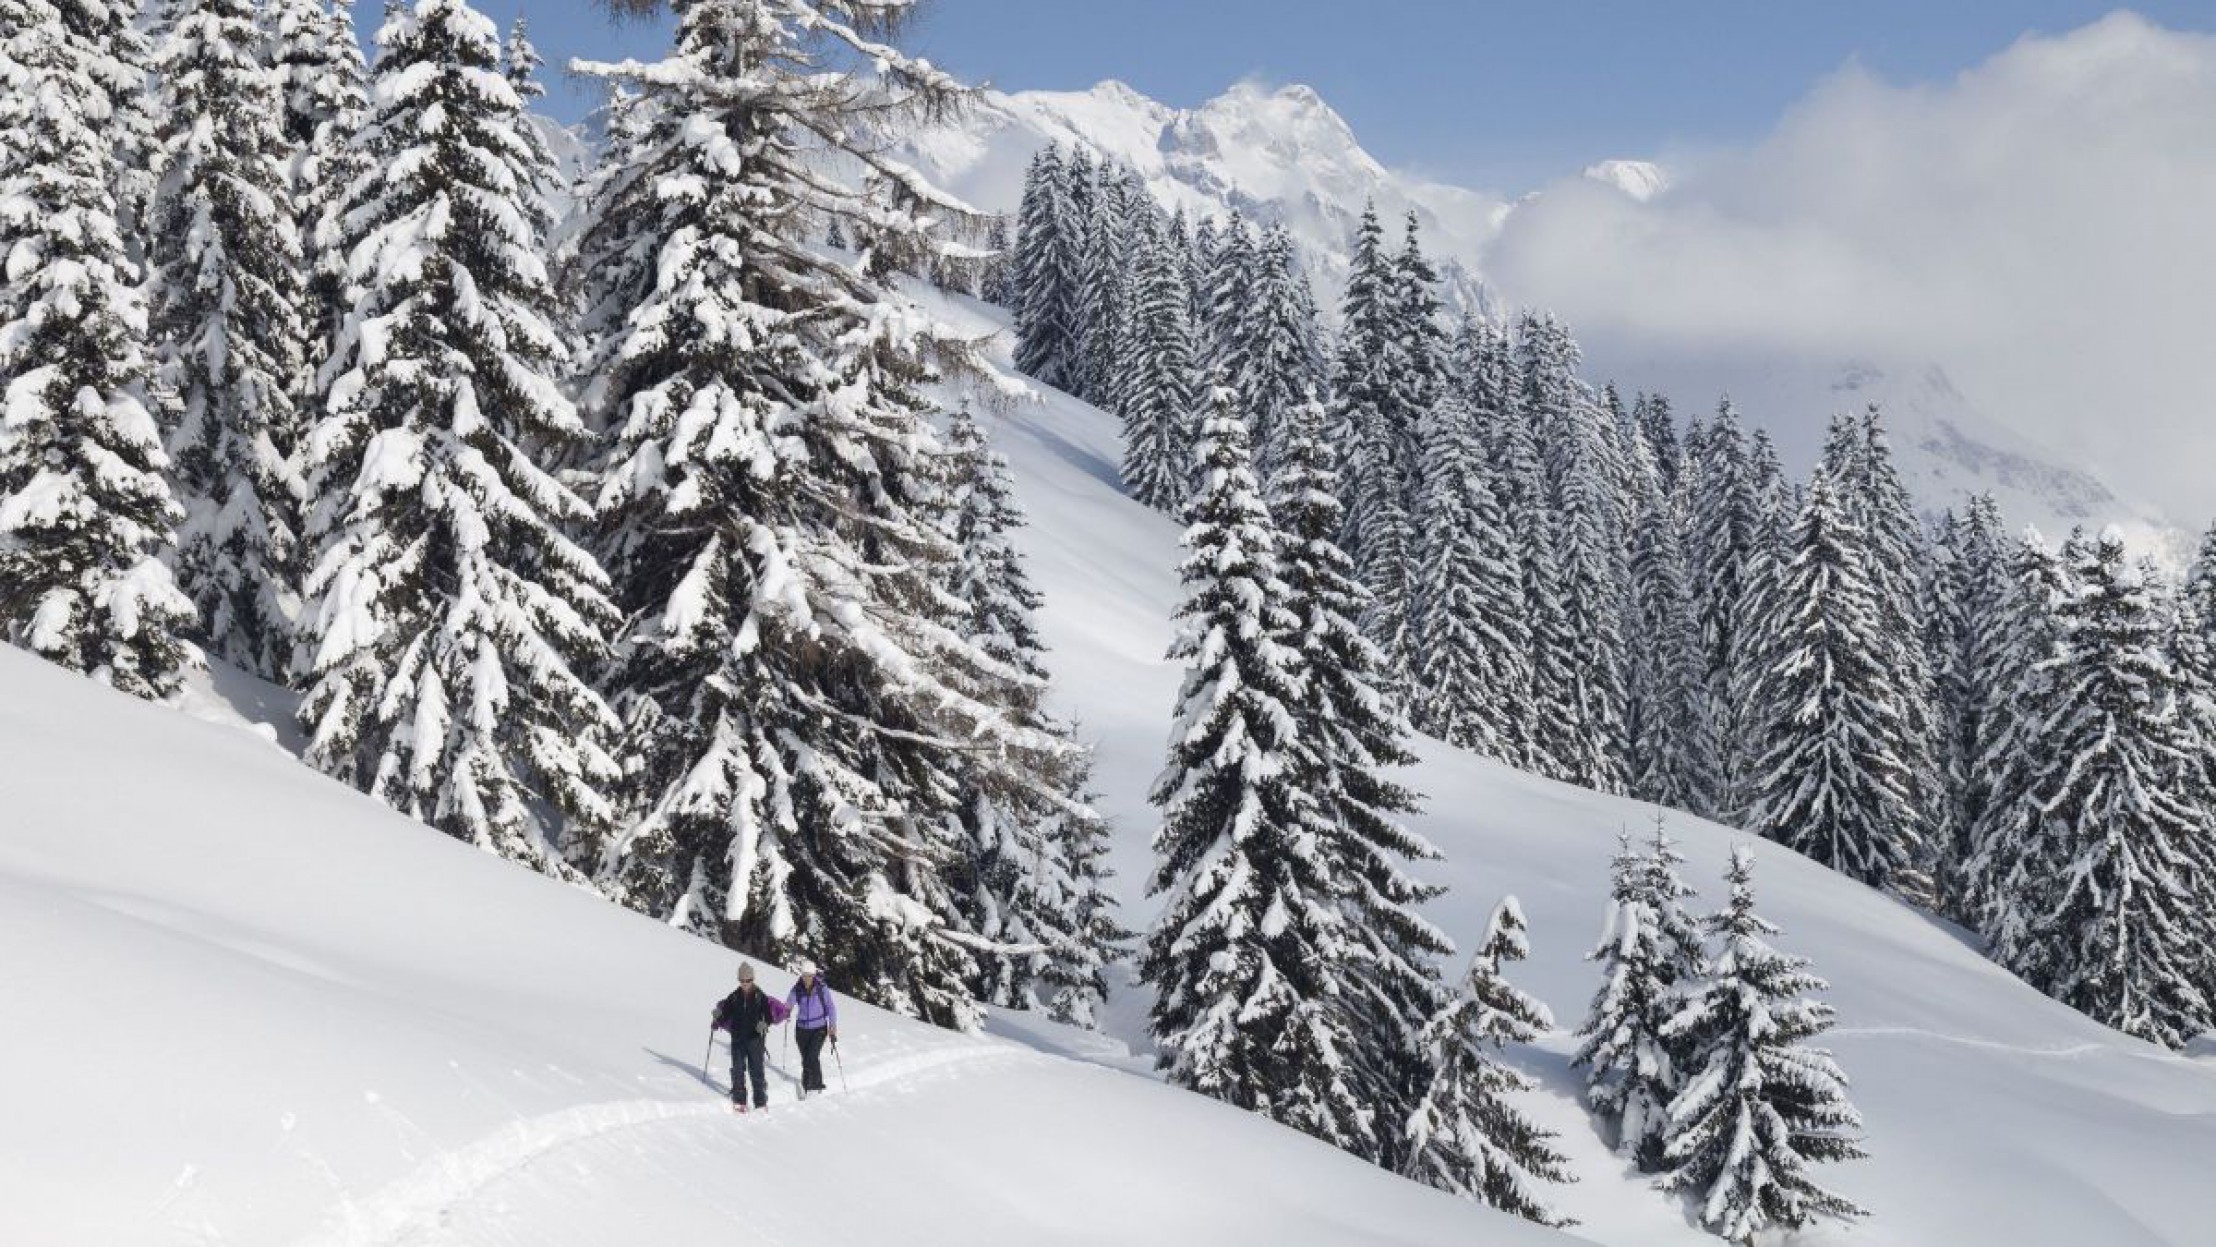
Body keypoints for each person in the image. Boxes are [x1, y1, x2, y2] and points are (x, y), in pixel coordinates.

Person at [711, 962, 786, 1112]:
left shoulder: (760, 996)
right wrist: (717, 1019)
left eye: (748, 980)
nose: (745, 984)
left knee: (756, 1070)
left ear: (753, 979)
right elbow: (725, 1014)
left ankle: (760, 1101)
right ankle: (739, 1100)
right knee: (738, 1069)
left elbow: (769, 1016)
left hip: (755, 1038)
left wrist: (764, 1024)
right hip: (738, 1037)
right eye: (742, 981)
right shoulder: (734, 997)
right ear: (739, 980)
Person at [785, 959, 839, 1096]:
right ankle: (809, 1083)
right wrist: (786, 1012)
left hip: (819, 1028)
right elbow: (789, 1003)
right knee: (806, 1059)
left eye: (809, 976)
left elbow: (831, 1007)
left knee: (811, 1056)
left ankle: (813, 1086)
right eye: (804, 975)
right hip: (801, 1029)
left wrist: (832, 1026)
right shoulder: (797, 988)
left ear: (814, 975)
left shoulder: (821, 988)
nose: (806, 978)